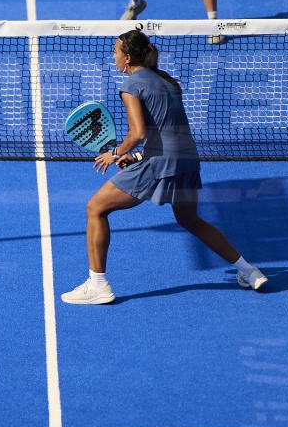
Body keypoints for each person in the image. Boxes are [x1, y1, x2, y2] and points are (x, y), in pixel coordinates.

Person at [61, 29, 267, 305]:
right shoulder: (168, 81)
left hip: (161, 163)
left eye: (116, 52)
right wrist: (135, 158)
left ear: (128, 57)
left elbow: (138, 133)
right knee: (189, 219)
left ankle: (98, 285)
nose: (114, 56)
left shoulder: (131, 85)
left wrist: (115, 153)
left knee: (95, 208)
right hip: (186, 159)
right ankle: (249, 272)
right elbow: (168, 132)